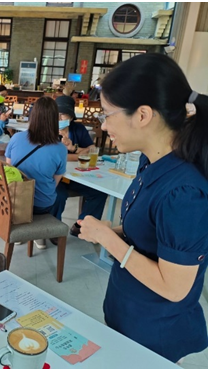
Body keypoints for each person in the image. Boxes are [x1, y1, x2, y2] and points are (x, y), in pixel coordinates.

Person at [78, 53, 208, 363]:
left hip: (155, 333)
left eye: (108, 114)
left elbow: (174, 287)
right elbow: (151, 232)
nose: (104, 125)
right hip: (129, 316)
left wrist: (108, 238)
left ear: (143, 115)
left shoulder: (184, 192)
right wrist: (111, 231)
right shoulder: (150, 161)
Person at [5, 97, 67, 248]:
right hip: (41, 206)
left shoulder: (16, 138)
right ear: (55, 120)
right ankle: (39, 236)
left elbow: (10, 171)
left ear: (33, 116)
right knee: (56, 194)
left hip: (14, 202)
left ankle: (25, 232)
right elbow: (54, 182)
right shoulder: (60, 148)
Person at [53, 94, 107, 237]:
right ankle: (54, 230)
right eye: (56, 115)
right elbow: (56, 157)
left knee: (98, 192)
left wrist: (73, 148)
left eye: (63, 115)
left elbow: (92, 149)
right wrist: (79, 155)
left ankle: (81, 225)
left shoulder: (78, 129)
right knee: (59, 194)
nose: (59, 119)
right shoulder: (49, 129)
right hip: (56, 176)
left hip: (76, 175)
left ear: (71, 116)